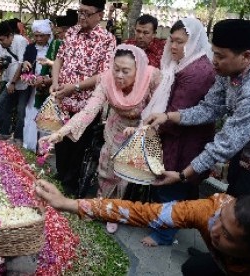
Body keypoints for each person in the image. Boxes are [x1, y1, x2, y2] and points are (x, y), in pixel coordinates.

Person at [146, 19, 250, 200]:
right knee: (231, 203)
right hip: (245, 151)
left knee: (247, 217)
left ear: (246, 56)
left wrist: (182, 175)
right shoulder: (228, 70)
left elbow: (227, 142)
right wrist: (167, 116)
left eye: (220, 56)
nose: (213, 61)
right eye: (214, 53)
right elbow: (209, 108)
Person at [35, 180, 250, 275]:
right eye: (219, 221)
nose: (213, 231)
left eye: (226, 234)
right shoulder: (208, 211)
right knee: (193, 269)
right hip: (225, 264)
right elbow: (139, 212)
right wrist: (67, 203)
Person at [40, 44, 161, 233]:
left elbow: (159, 108)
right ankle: (98, 207)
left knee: (123, 174)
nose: (119, 75)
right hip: (116, 126)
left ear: (138, 70)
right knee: (105, 167)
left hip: (140, 129)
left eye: (126, 71)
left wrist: (143, 128)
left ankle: (113, 211)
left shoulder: (152, 77)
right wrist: (59, 133)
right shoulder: (106, 80)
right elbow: (88, 111)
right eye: (116, 69)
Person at [134, 18, 216, 247]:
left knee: (170, 183)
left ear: (195, 42)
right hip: (176, 134)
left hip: (183, 139)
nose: (174, 46)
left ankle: (163, 234)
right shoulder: (182, 64)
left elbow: (178, 112)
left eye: (180, 42)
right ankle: (174, 221)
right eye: (172, 40)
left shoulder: (197, 71)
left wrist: (150, 129)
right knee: (178, 185)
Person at [50, 0, 116, 196]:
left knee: (78, 147)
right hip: (63, 100)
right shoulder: (71, 32)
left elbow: (104, 75)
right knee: (61, 142)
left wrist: (75, 87)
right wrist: (54, 82)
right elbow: (59, 59)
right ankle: (61, 176)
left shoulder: (107, 39)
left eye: (87, 13)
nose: (82, 17)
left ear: (100, 15)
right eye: (80, 12)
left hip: (86, 106)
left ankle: (70, 185)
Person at [0, 21, 29, 144]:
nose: (0, 43)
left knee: (21, 111)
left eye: (2, 40)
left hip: (23, 84)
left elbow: (22, 64)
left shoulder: (21, 41)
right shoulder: (0, 46)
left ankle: (18, 138)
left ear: (10, 35)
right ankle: (4, 135)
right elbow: (1, 69)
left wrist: (13, 83)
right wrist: (0, 66)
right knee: (1, 106)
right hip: (9, 82)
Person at [21, 19, 53, 151]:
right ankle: (30, 146)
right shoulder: (30, 48)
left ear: (48, 36)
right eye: (36, 35)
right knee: (31, 115)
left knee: (47, 118)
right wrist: (25, 68)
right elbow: (25, 69)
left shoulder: (54, 49)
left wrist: (46, 80)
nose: (39, 38)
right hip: (33, 91)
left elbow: (59, 68)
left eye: (42, 36)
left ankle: (44, 149)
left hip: (50, 90)